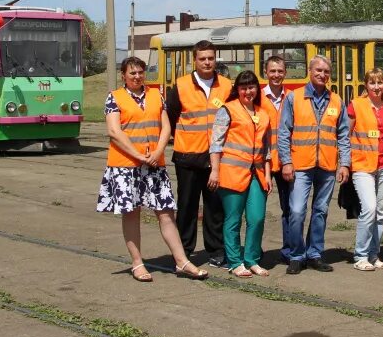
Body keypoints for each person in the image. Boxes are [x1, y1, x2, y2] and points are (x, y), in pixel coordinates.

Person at [96, 57, 208, 282]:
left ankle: (182, 261)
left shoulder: (156, 95)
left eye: (140, 72)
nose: (137, 77)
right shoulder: (114, 98)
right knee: (131, 214)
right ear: (123, 75)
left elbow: (166, 125)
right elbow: (114, 132)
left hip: (154, 164)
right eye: (132, 73)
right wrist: (138, 156)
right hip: (126, 166)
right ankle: (137, 263)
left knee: (166, 213)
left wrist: (157, 153)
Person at [277, 55, 351, 274]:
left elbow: (344, 135)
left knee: (320, 211)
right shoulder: (294, 98)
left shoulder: (336, 100)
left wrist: (344, 164)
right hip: (300, 164)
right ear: (310, 71)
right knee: (297, 211)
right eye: (318, 70)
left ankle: (315, 253)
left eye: (326, 71)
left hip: (327, 166)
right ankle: (296, 255)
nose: (322, 74)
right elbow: (284, 132)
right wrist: (286, 162)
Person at [166, 40, 233, 266]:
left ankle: (216, 251)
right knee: (187, 207)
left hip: (216, 158)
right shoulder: (181, 85)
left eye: (210, 58)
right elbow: (171, 116)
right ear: (195, 60)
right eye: (202, 58)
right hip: (188, 157)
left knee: (215, 208)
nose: (207, 62)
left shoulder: (226, 86)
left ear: (216, 59)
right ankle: (184, 251)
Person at [208, 70, 274, 278]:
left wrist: (269, 174)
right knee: (233, 219)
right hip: (232, 173)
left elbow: (267, 148)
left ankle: (252, 259)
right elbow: (215, 144)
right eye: (243, 87)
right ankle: (235, 261)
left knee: (257, 218)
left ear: (257, 89)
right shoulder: (227, 110)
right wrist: (215, 171)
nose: (248, 91)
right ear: (237, 90)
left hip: (257, 173)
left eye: (251, 87)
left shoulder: (263, 114)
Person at [348, 68, 383, 271]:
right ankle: (360, 256)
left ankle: (373, 254)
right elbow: (345, 132)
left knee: (381, 213)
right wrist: (344, 162)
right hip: (362, 165)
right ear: (366, 85)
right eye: (372, 83)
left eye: (380, 83)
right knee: (369, 209)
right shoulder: (356, 105)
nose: (377, 87)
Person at [261, 55, 292, 263]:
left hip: (285, 161)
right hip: (261, 161)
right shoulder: (257, 97)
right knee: (256, 211)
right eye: (272, 71)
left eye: (280, 71)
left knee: (290, 209)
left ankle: (290, 250)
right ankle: (254, 251)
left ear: (285, 73)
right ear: (266, 73)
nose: (276, 75)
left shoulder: (292, 97)